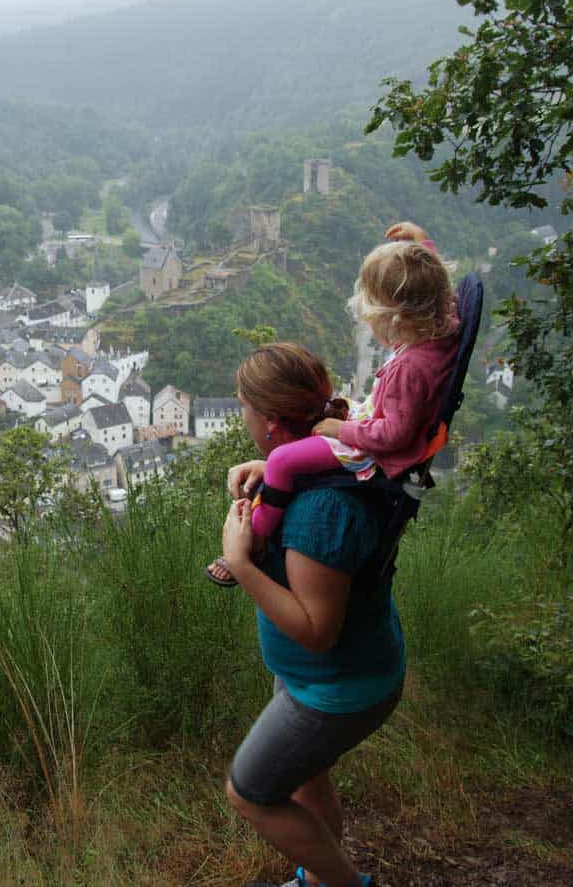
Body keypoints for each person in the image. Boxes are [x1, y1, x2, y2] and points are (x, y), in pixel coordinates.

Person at [214, 342, 404, 887]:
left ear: (271, 423)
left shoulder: (321, 512)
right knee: (306, 777)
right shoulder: (324, 466)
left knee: (250, 792)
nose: (242, 415)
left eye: (244, 407)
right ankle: (316, 881)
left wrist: (238, 562)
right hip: (319, 676)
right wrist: (269, 471)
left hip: (336, 686)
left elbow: (317, 631)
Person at [207, 222, 459, 589]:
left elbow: (395, 434)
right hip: (378, 427)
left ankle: (257, 540)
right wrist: (422, 247)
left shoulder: (410, 368)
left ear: (397, 319)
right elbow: (439, 292)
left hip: (380, 450)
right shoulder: (441, 327)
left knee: (281, 461)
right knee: (291, 453)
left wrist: (341, 430)